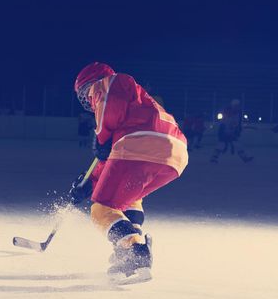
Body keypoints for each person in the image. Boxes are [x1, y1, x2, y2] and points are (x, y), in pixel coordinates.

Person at [69, 62, 188, 282]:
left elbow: (110, 120)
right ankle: (127, 249)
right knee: (127, 197)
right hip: (175, 155)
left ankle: (136, 252)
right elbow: (114, 161)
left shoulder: (113, 82)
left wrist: (101, 136)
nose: (88, 98)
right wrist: (91, 182)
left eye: (86, 91)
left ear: (93, 83)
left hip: (140, 145)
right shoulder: (136, 105)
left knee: (101, 209)